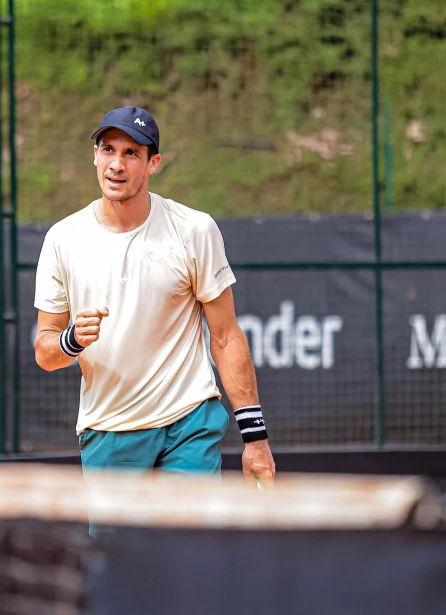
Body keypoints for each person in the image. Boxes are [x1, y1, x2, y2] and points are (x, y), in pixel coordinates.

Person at [33, 106, 276, 487]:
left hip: (189, 422)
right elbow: (45, 352)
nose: (117, 164)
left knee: (186, 543)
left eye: (131, 153)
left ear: (153, 163)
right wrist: (72, 339)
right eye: (108, 149)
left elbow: (226, 336)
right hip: (109, 429)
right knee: (117, 549)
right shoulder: (62, 240)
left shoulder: (194, 229)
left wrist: (255, 439)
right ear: (94, 155)